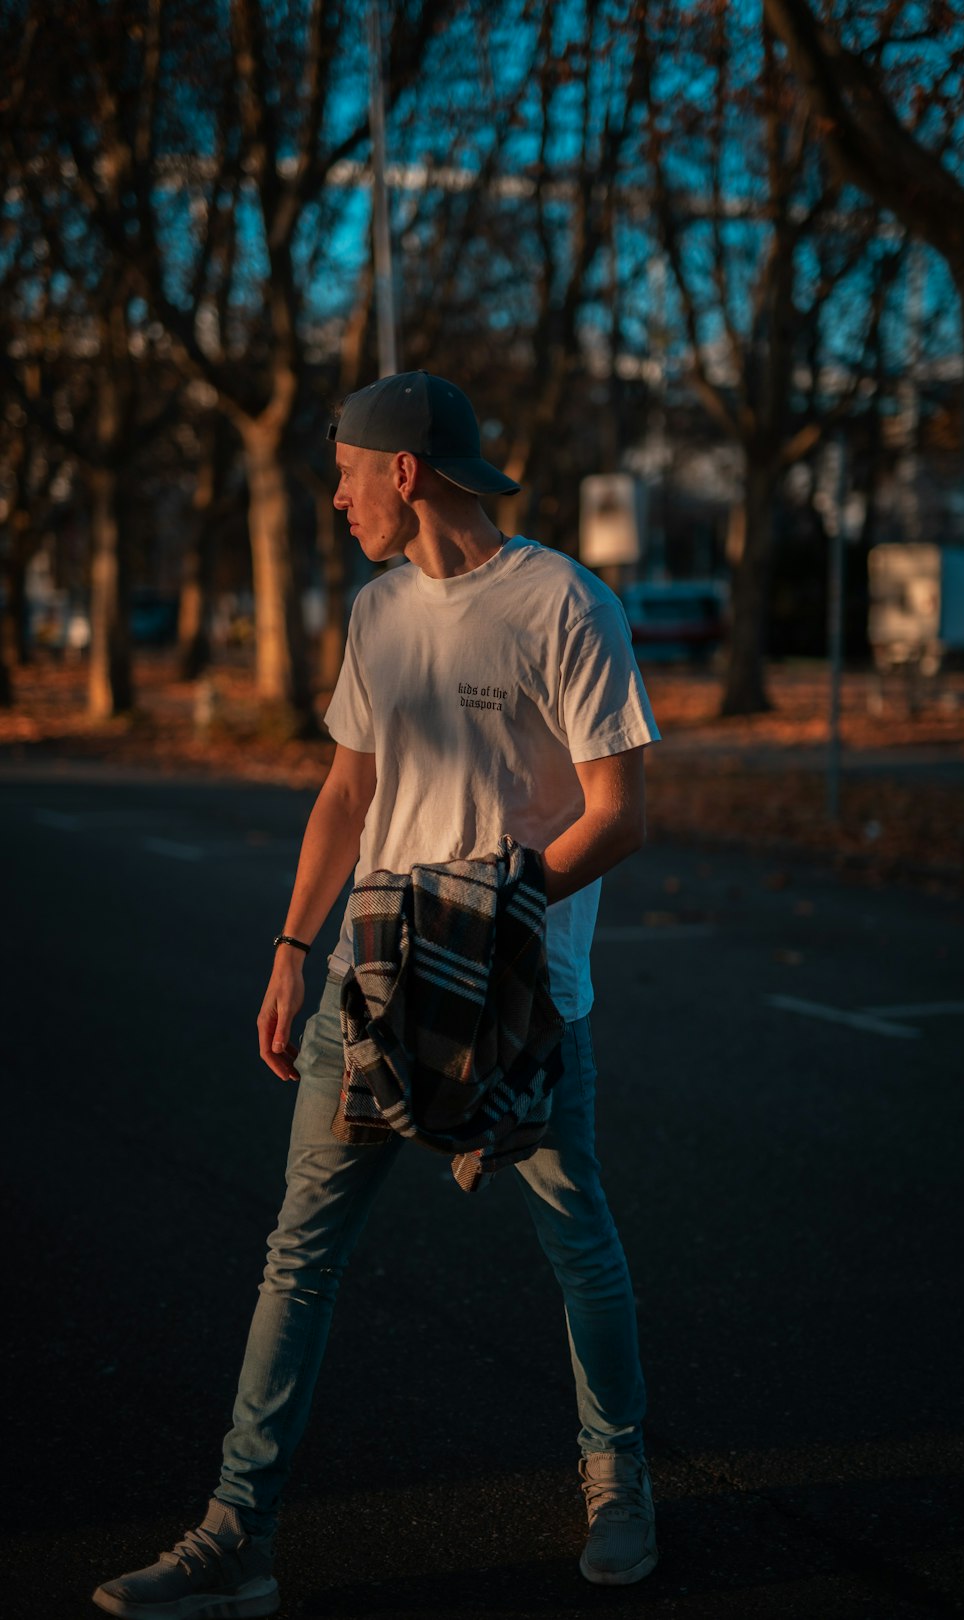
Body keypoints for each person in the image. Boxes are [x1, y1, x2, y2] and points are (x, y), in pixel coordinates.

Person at [92, 370, 662, 1619]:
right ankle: (239, 1536)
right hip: (370, 996)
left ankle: (618, 1483)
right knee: (297, 1257)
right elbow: (348, 795)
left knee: (580, 1247)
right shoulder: (377, 611)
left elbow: (622, 811)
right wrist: (295, 948)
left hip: (516, 1007)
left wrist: (500, 906)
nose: (336, 496)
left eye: (345, 471)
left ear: (403, 471)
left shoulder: (565, 604)